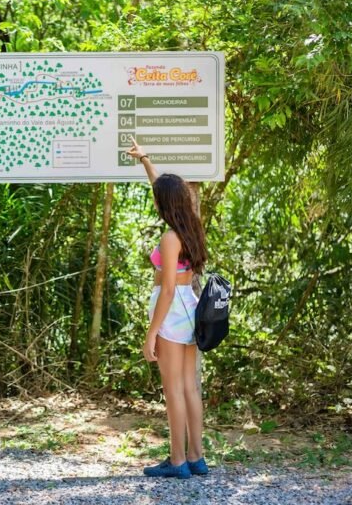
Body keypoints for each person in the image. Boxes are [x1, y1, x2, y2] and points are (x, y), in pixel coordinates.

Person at [126, 140, 209, 479]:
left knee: (173, 388)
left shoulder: (169, 238)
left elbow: (168, 288)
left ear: (165, 204)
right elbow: (162, 187)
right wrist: (145, 160)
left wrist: (151, 334)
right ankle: (196, 457)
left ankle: (177, 462)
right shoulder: (191, 227)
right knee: (190, 387)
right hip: (190, 308)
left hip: (172, 311)